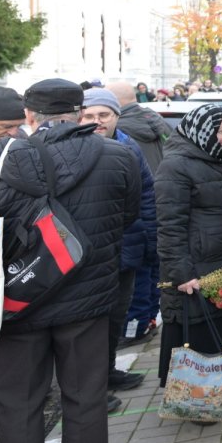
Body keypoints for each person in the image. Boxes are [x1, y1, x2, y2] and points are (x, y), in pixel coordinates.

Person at [0, 78, 140, 443]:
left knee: (17, 406)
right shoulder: (118, 156)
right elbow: (127, 217)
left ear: (29, 115)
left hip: (15, 303)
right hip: (87, 300)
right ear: (78, 110)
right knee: (86, 401)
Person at [154, 103, 222, 406]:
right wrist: (182, 274)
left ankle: (219, 387)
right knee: (200, 334)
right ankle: (199, 400)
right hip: (198, 267)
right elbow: (169, 226)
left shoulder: (217, 156)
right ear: (202, 131)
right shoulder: (175, 166)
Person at [79, 88, 156, 394]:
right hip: (87, 255)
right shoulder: (74, 148)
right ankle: (92, 389)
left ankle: (109, 372)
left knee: (116, 316)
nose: (96, 121)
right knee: (89, 324)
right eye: (89, 115)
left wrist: (150, 244)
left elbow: (147, 196)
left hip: (125, 247)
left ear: (116, 117)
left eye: (103, 115)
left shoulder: (129, 147)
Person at [109, 81, 170, 344]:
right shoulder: (156, 121)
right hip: (162, 203)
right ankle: (148, 319)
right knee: (153, 269)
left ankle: (135, 328)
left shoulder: (120, 134)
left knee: (139, 274)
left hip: (135, 208)